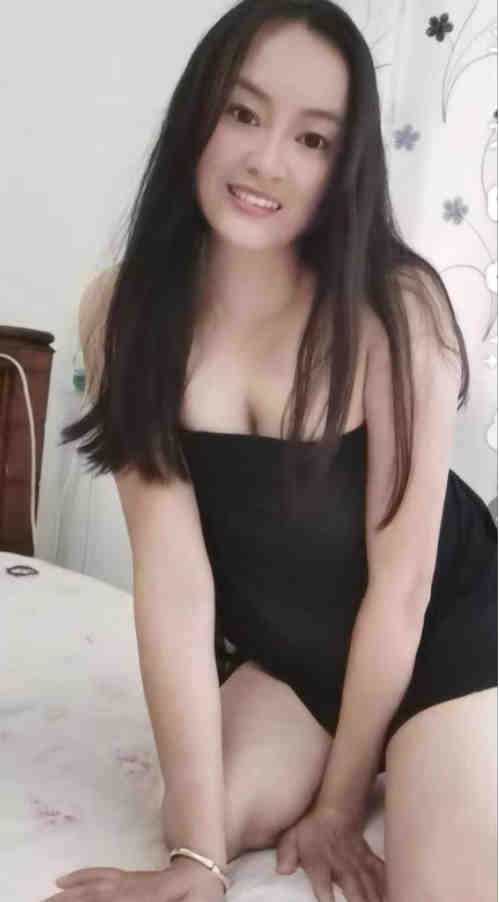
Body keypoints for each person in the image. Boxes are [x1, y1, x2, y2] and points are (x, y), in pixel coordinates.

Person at [53, 1, 497, 900]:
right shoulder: (124, 312)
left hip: (442, 628)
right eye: (243, 113)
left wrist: (337, 803)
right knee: (197, 817)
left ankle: (405, 751)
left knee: (443, 887)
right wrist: (196, 859)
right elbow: (174, 586)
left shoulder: (393, 311)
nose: (265, 161)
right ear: (197, 115)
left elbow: (403, 587)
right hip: (293, 656)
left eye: (313, 139)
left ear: (345, 166)